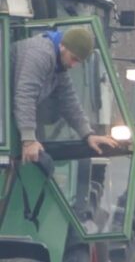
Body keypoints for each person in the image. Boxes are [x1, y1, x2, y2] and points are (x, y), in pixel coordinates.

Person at [12, 28, 117, 162]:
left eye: (78, 62)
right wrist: (29, 140)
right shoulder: (40, 54)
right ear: (62, 46)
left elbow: (69, 100)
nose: (73, 65)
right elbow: (25, 95)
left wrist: (88, 134)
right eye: (73, 59)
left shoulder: (59, 65)